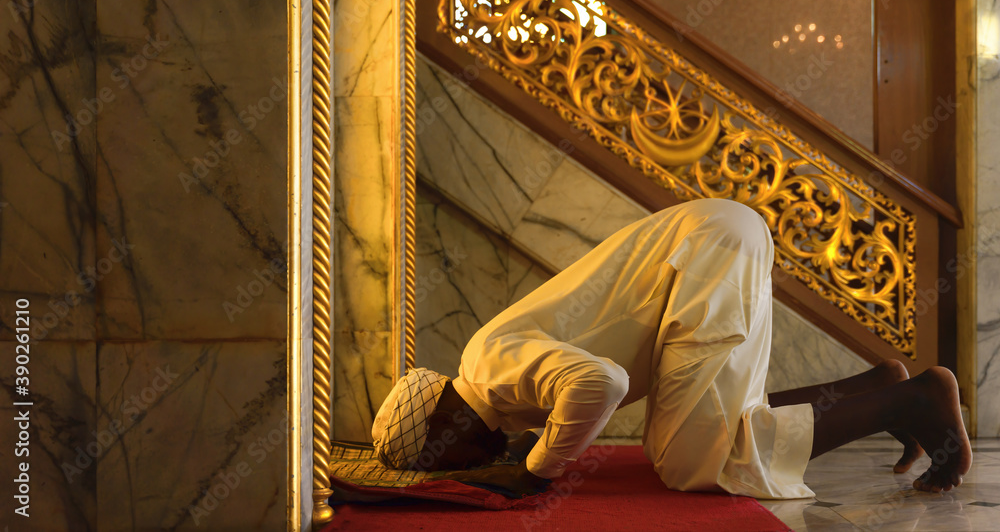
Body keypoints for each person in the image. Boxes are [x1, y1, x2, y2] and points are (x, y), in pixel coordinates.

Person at [371, 198, 972, 499]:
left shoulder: (486, 366)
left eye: (439, 460)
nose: (460, 469)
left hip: (705, 251)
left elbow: (599, 382)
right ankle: (879, 390)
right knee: (694, 438)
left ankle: (912, 402)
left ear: (443, 422)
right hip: (712, 243)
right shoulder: (494, 380)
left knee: (692, 462)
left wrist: (539, 470)